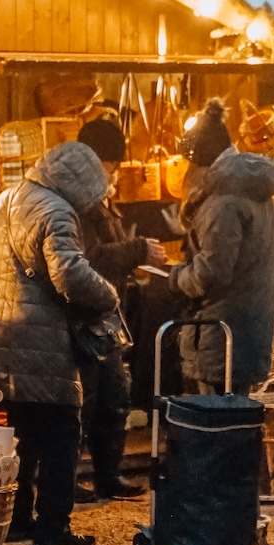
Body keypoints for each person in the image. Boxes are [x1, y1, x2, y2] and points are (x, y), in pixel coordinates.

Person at [0, 141, 118, 545]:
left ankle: (17, 520)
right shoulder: (56, 211)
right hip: (41, 341)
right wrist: (108, 294)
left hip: (0, 338)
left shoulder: (9, 197)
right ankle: (53, 529)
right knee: (61, 433)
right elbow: (69, 275)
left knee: (20, 435)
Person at [73, 117, 166, 499]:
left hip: (107, 318)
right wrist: (137, 249)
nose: (112, 174)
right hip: (84, 318)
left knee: (114, 397)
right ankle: (70, 477)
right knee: (86, 402)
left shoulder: (98, 200)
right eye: (110, 165)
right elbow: (89, 259)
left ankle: (108, 474)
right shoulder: (76, 204)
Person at [169, 99, 274, 394]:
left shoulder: (224, 200)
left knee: (218, 421)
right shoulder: (248, 184)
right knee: (235, 416)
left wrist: (177, 277)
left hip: (224, 327)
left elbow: (213, 272)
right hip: (245, 321)